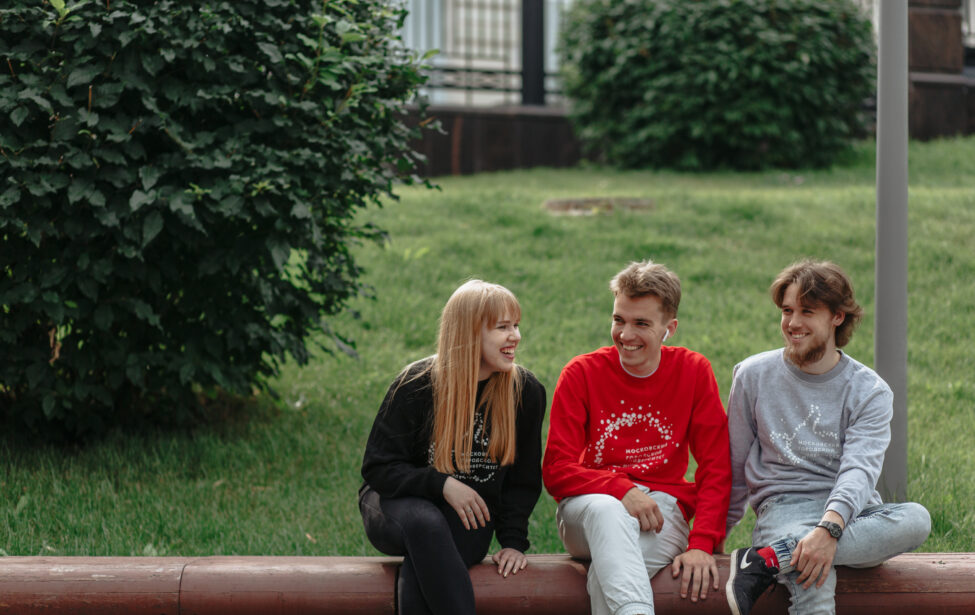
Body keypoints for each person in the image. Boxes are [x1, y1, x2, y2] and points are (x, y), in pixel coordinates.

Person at [725, 260, 931, 615]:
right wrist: (710, 541)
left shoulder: (869, 391)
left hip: (852, 514)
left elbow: (859, 470)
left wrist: (829, 529)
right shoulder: (752, 375)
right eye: (787, 311)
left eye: (807, 311)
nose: (792, 323)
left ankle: (771, 559)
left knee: (917, 519)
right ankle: (785, 552)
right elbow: (733, 467)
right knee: (815, 583)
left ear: (837, 316)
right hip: (784, 508)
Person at [542, 259, 731, 615]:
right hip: (588, 508)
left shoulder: (692, 371)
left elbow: (716, 466)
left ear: (669, 328)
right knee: (607, 512)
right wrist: (621, 489)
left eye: (641, 323)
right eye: (619, 320)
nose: (625, 335)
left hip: (661, 510)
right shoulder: (581, 373)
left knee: (607, 576)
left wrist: (702, 542)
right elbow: (556, 469)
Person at [358, 280, 547, 615]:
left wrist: (513, 542)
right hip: (395, 503)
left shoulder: (525, 391)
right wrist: (442, 484)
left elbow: (523, 479)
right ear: (469, 333)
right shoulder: (416, 384)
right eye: (502, 327)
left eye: (516, 325)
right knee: (426, 524)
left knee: (425, 563)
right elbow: (379, 468)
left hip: (469, 514)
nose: (515, 336)